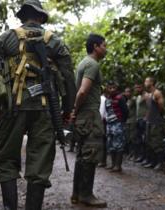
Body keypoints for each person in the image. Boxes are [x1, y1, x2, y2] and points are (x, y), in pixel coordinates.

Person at [0, 1, 76, 209]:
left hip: (11, 107)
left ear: (22, 16)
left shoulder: (6, 38)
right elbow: (69, 78)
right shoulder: (54, 41)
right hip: (45, 109)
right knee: (39, 164)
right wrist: (66, 109)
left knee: (7, 160)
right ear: (41, 17)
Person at [71, 33, 107, 208]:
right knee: (90, 154)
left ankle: (77, 193)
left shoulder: (84, 63)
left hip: (84, 115)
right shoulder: (92, 64)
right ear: (95, 46)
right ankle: (86, 195)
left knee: (82, 155)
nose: (105, 49)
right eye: (104, 46)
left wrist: (75, 112)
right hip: (89, 115)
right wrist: (75, 110)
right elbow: (83, 91)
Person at [104, 81, 128, 172]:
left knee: (119, 145)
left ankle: (118, 166)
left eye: (114, 87)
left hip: (118, 124)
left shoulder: (120, 98)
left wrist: (122, 122)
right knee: (110, 144)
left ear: (116, 88)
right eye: (110, 88)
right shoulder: (107, 99)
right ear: (107, 88)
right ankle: (113, 164)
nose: (112, 89)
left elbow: (125, 111)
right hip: (109, 124)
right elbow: (107, 111)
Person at [143, 77, 165, 170]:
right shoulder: (147, 94)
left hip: (156, 121)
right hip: (149, 120)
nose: (145, 83)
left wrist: (157, 116)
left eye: (146, 81)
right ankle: (152, 161)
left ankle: (161, 163)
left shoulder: (157, 93)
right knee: (149, 141)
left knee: (157, 141)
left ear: (152, 82)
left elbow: (161, 106)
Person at [135, 83, 147, 163]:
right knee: (139, 139)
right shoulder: (138, 97)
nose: (137, 89)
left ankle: (146, 157)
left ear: (142, 87)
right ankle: (141, 156)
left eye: (139, 87)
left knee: (145, 139)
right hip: (138, 119)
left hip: (144, 120)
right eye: (136, 88)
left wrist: (146, 117)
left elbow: (149, 107)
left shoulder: (146, 96)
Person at [124, 87, 138, 161]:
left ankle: (135, 155)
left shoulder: (133, 99)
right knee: (128, 138)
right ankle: (130, 153)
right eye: (126, 92)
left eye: (128, 92)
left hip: (133, 121)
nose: (127, 93)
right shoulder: (127, 100)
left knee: (133, 138)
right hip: (127, 121)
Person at [98, 87, 108, 167]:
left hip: (101, 122)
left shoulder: (102, 99)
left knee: (101, 142)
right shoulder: (101, 99)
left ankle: (102, 161)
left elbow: (101, 113)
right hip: (101, 122)